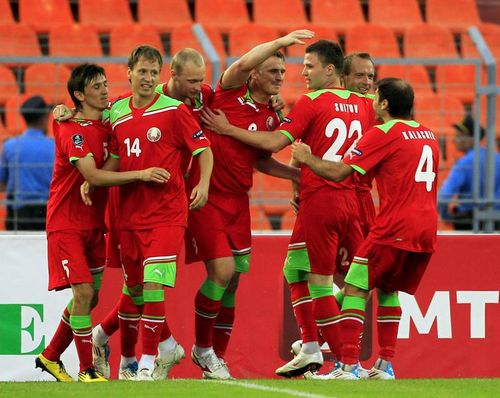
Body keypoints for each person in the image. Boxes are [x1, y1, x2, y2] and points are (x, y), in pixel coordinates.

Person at [201, 39, 374, 378]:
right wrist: (298, 171)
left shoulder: (310, 102)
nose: (301, 72)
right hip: (353, 197)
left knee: (320, 282)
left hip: (320, 199)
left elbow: (273, 143)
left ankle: (345, 362)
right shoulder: (365, 105)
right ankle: (314, 347)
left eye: (308, 66)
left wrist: (226, 128)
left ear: (329, 69)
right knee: (310, 271)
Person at [291, 77, 439, 380]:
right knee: (387, 289)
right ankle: (385, 366)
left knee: (356, 286)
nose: (371, 100)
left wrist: (307, 158)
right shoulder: (429, 134)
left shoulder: (382, 133)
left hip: (393, 226)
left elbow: (339, 171)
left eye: (375, 97)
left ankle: (346, 366)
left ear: (384, 104)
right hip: (426, 228)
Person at [186, 30, 312, 380]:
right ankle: (202, 348)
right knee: (222, 273)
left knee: (233, 282)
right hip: (208, 197)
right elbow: (242, 61)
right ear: (255, 73)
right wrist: (281, 40)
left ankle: (217, 359)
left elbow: (259, 160)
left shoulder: (272, 117)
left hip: (238, 203)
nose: (280, 77)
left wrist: (295, 175)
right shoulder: (228, 92)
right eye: (273, 70)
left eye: (283, 72)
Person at [35, 63, 170, 383]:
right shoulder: (71, 129)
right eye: (97, 87)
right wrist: (140, 174)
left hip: (96, 225)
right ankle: (87, 370)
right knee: (83, 293)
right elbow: (93, 174)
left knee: (91, 297)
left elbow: (141, 100)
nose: (105, 90)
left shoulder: (111, 119)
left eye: (106, 84)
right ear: (79, 95)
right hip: (66, 224)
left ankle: (51, 355)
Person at [90, 48, 215, 381]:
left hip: (167, 214)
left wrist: (202, 184)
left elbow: (203, 149)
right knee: (137, 292)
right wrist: (95, 178)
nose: (147, 79)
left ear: (162, 74)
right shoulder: (116, 111)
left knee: (153, 286)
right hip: (128, 216)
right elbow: (114, 153)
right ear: (129, 72)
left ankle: (146, 362)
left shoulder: (174, 111)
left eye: (152, 72)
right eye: (142, 71)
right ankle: (125, 339)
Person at [0, 95, 54, 230]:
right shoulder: (55, 147)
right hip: (47, 212)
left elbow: (2, 183)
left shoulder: (10, 146)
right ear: (44, 118)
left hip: (19, 214)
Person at [438, 114, 500, 230]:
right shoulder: (497, 158)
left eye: (459, 136)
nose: (454, 140)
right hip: (496, 221)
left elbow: (444, 196)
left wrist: (446, 216)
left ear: (471, 139)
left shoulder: (464, 163)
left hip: (469, 223)